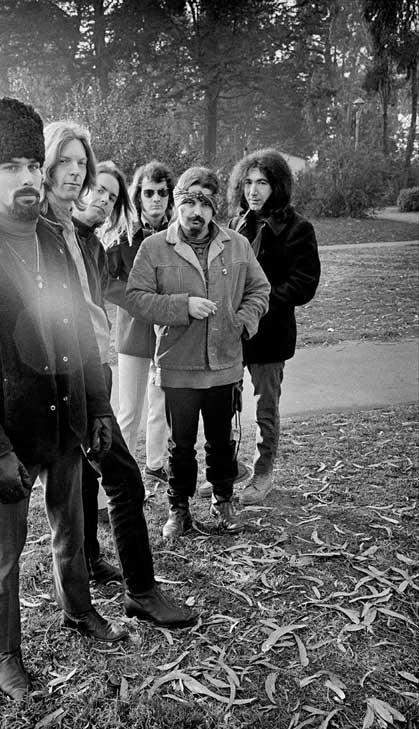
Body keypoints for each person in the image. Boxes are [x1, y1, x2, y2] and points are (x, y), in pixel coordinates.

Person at [0, 98, 127, 702]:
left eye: (33, 165)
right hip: (8, 438)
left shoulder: (54, 242)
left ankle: (77, 608)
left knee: (74, 525)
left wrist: (95, 409)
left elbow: (80, 336)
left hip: (66, 419)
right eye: (13, 167)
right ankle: (4, 652)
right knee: (4, 553)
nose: (31, 179)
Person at [42, 120, 197, 622]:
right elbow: (115, 301)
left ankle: (90, 557)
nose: (104, 200)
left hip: (95, 366)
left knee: (90, 476)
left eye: (110, 194)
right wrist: (179, 306)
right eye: (99, 190)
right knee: (125, 478)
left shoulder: (86, 242)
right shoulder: (54, 236)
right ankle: (141, 590)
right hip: (74, 375)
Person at [126, 166, 271, 540]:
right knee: (181, 445)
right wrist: (181, 306)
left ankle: (223, 500)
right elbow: (136, 298)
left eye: (204, 204)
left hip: (224, 364)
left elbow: (260, 290)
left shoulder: (236, 244)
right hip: (178, 365)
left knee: (222, 441)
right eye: (188, 202)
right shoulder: (154, 247)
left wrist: (243, 320)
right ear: (177, 203)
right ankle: (179, 509)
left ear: (214, 208)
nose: (195, 212)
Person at [225, 149, 321, 504]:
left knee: (266, 406)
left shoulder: (298, 228)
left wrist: (261, 303)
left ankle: (263, 473)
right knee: (227, 402)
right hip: (236, 333)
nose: (253, 190)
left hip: (270, 333)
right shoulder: (237, 224)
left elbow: (304, 283)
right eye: (247, 182)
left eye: (262, 182)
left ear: (277, 185)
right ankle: (229, 469)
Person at [106, 161, 172, 482]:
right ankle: (124, 474)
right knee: (129, 411)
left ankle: (155, 464)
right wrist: (136, 299)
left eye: (162, 192)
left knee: (160, 405)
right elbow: (104, 280)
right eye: (149, 193)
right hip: (133, 333)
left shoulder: (177, 234)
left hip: (168, 334)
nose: (156, 199)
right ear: (138, 196)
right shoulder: (123, 235)